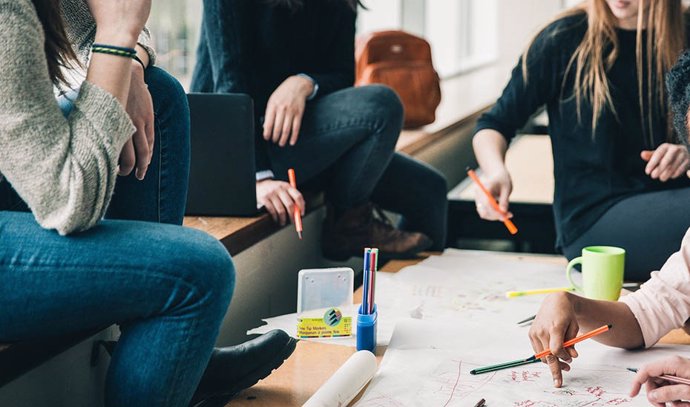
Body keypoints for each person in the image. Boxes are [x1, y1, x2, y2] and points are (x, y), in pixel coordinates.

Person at [0, 1, 295, 406]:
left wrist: (132, 63)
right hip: (53, 199)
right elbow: (71, 202)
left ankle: (178, 360)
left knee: (161, 91)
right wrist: (118, 38)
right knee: (199, 271)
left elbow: (93, 31)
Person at [190, 0, 448, 260]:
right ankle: (348, 224)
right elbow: (229, 82)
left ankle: (394, 284)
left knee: (431, 190)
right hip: (234, 148)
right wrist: (257, 177)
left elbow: (342, 74)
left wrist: (303, 83)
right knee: (382, 103)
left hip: (299, 138)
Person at [472, 0, 690, 281]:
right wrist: (495, 171)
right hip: (594, 221)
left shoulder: (685, 31)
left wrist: (687, 149)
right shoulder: (563, 37)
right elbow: (493, 124)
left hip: (675, 203)